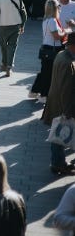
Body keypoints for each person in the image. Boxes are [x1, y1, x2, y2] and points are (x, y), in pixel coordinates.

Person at [42, 32, 75, 175]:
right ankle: (58, 164)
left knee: (57, 134)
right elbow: (67, 90)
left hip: (55, 101)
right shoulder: (69, 63)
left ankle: (57, 163)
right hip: (63, 105)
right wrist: (68, 112)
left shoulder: (61, 54)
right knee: (59, 135)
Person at [31, 0, 68, 100]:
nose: (59, 9)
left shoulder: (46, 20)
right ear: (54, 9)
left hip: (47, 48)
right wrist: (66, 31)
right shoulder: (52, 21)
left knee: (44, 71)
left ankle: (34, 91)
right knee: (49, 73)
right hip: (52, 49)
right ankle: (44, 95)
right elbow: (56, 36)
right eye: (58, 7)